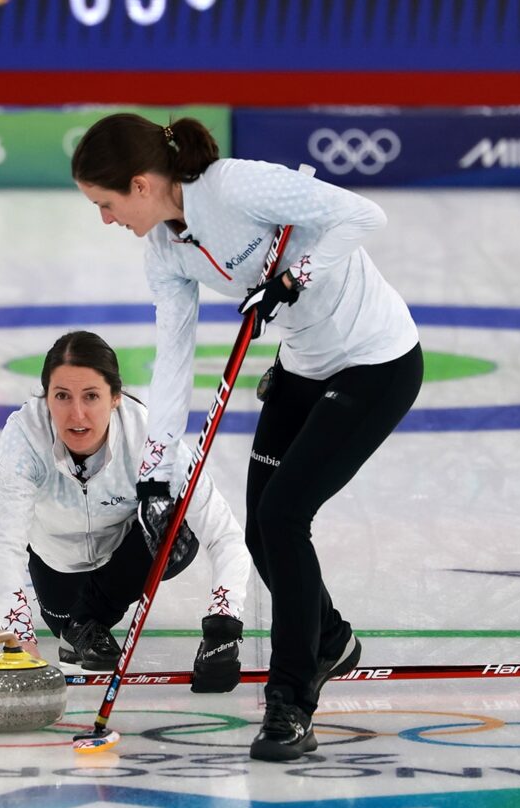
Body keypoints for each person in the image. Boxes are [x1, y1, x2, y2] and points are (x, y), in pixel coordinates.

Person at [71, 114, 423, 761]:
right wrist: (156, 474)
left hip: (377, 359)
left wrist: (296, 276)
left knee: (284, 515)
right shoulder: (165, 252)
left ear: (142, 185)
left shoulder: (234, 188)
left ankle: (290, 702)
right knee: (263, 528)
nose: (106, 219)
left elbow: (362, 215)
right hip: (304, 364)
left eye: (106, 203)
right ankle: (329, 641)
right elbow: (173, 361)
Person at [0, 331, 252, 691]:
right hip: (57, 567)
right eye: (62, 396)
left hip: (120, 561)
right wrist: (20, 638)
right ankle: (76, 624)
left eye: (91, 396)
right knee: (65, 619)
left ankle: (90, 619)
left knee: (174, 526)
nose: (77, 414)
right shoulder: (24, 438)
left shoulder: (149, 438)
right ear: (46, 398)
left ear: (115, 398)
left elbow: (225, 534)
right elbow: (5, 542)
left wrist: (224, 625)